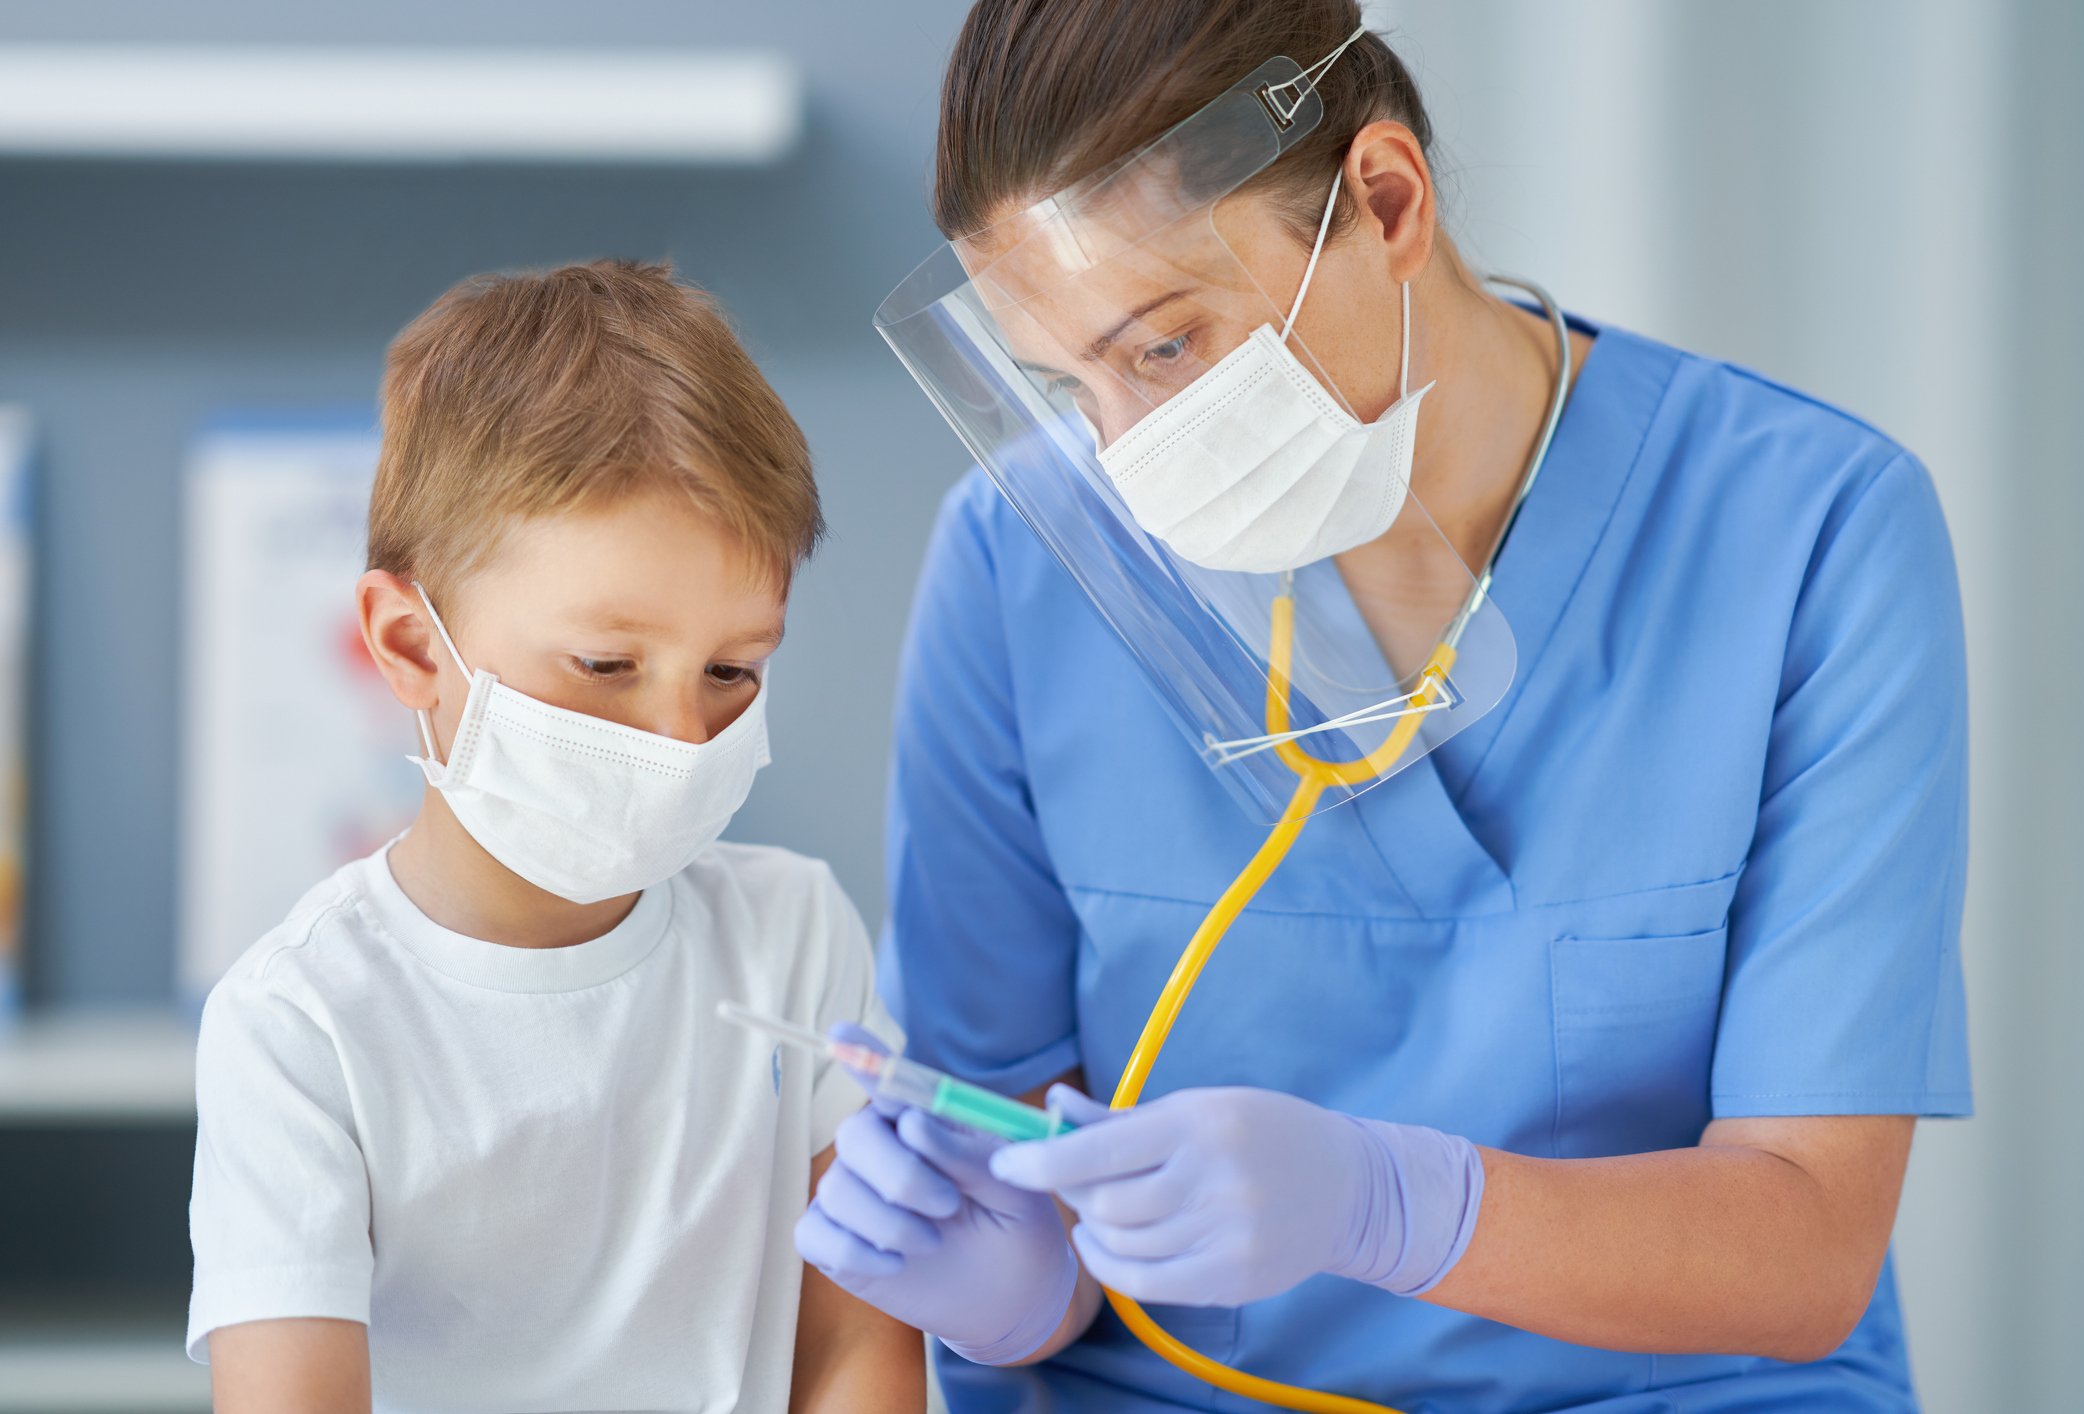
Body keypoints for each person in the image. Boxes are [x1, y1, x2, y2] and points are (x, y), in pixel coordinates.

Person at [799, 1, 1972, 1410]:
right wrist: (1010, 1287)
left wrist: (1391, 1202)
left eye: (1164, 348)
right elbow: (1010, 1156)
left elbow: (1808, 1245)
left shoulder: (1810, 530)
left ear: (1384, 201)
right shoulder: (1020, 561)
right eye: (1069, 386)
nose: (1126, 456)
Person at [186, 260, 924, 1413]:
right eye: (605, 665)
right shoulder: (301, 1025)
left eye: (732, 670)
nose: (681, 734)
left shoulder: (793, 937)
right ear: (411, 645)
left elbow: (855, 1349)